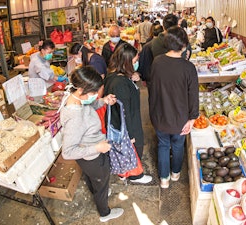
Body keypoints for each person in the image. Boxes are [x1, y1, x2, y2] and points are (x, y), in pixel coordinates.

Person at [60, 66, 123, 223]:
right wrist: (97, 148)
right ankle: (104, 213)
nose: (96, 95)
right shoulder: (74, 117)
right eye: (94, 93)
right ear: (82, 89)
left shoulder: (76, 98)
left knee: (93, 178)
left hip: (87, 155)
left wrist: (103, 101)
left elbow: (88, 107)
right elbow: (67, 152)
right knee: (101, 181)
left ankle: (98, 191)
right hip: (91, 156)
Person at [149, 26, 199, 189]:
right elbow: (193, 95)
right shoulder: (188, 68)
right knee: (178, 145)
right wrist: (192, 118)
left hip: (160, 114)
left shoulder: (157, 62)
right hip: (180, 118)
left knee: (163, 145)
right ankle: (175, 173)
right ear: (184, 46)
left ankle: (164, 179)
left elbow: (153, 88)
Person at [104, 43, 152, 184]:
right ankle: (135, 176)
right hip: (128, 124)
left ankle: (124, 173)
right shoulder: (120, 84)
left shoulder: (115, 75)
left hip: (124, 121)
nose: (136, 64)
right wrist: (130, 134)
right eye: (135, 61)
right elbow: (124, 112)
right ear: (126, 62)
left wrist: (132, 77)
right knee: (131, 149)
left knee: (123, 150)